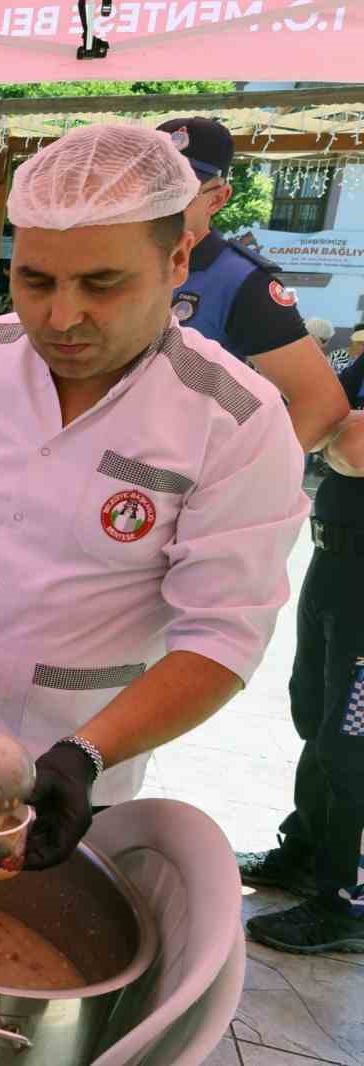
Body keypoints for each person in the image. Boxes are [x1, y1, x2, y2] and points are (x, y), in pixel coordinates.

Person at [0, 124, 308, 872]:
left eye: (102, 283)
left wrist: (88, 752)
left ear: (177, 261)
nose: (61, 319)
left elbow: (222, 637)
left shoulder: (236, 421)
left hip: (72, 763)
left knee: (0, 959)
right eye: (34, 281)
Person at [240, 349, 364, 953]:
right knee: (314, 712)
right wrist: (333, 428)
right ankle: (308, 854)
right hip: (336, 562)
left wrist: (332, 429)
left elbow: (351, 444)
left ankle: (349, 901)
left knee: (354, 741)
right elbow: (317, 419)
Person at [158, 117, 348, 453]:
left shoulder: (241, 281)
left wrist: (241, 482)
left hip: (181, 479)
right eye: (151, 183)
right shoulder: (112, 259)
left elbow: (320, 403)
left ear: (217, 199)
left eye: (180, 191)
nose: (160, 200)